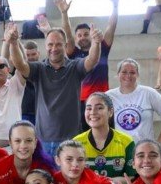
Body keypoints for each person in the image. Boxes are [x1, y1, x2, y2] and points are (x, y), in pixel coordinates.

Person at [8, 22, 101, 155]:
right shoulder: (38, 69)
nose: (54, 48)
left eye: (58, 44)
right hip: (42, 140)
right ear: (45, 46)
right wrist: (13, 43)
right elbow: (19, 64)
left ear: (65, 45)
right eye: (50, 45)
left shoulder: (75, 67)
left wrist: (96, 43)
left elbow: (92, 59)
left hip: (71, 140)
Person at [57, 0, 119, 132]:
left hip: (104, 99)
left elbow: (111, 27)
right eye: (79, 35)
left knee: (107, 134)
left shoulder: (102, 48)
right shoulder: (74, 54)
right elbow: (67, 33)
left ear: (91, 35)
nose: (83, 37)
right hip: (82, 102)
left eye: (86, 34)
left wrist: (115, 5)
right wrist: (64, 13)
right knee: (84, 139)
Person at [107, 59, 161, 143]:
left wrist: (160, 141)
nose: (128, 75)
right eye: (124, 72)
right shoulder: (109, 96)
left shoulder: (148, 93)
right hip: (118, 150)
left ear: (137, 75)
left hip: (144, 150)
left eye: (132, 72)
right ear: (118, 75)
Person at [72, 92, 137, 181]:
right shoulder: (76, 143)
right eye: (89, 108)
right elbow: (71, 176)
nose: (93, 112)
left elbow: (131, 176)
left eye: (99, 108)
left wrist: (104, 183)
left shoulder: (126, 141)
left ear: (110, 112)